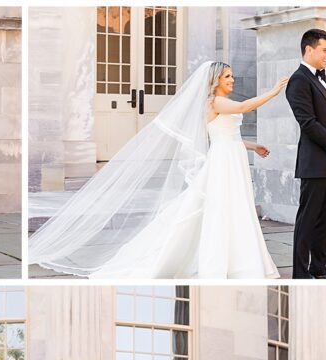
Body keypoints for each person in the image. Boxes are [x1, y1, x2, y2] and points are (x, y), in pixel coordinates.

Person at [28, 61, 286, 279]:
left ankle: (241, 261)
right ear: (215, 80)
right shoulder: (215, 102)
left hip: (233, 156)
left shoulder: (223, 102)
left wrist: (252, 147)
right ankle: (220, 263)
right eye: (227, 76)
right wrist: (274, 92)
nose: (233, 80)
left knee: (234, 208)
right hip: (222, 161)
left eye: (231, 76)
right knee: (218, 209)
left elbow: (228, 135)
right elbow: (242, 109)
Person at [285, 28, 326, 279]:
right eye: (325, 50)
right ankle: (301, 274)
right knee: (307, 222)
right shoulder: (299, 80)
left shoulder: (323, 78)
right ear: (308, 50)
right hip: (314, 163)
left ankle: (319, 269)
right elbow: (308, 123)